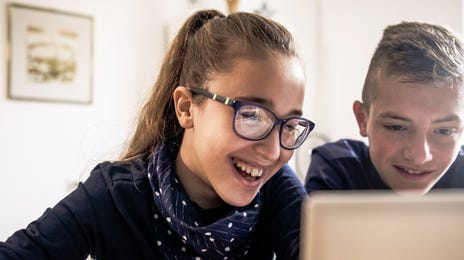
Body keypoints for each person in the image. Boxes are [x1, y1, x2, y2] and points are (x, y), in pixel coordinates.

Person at [0, 9, 314, 259]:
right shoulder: (115, 195)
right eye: (251, 115)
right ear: (187, 109)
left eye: (289, 126)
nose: (273, 152)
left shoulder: (277, 189)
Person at [305, 21, 464, 195]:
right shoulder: (339, 169)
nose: (420, 156)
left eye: (444, 131)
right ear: (363, 118)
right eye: (396, 127)